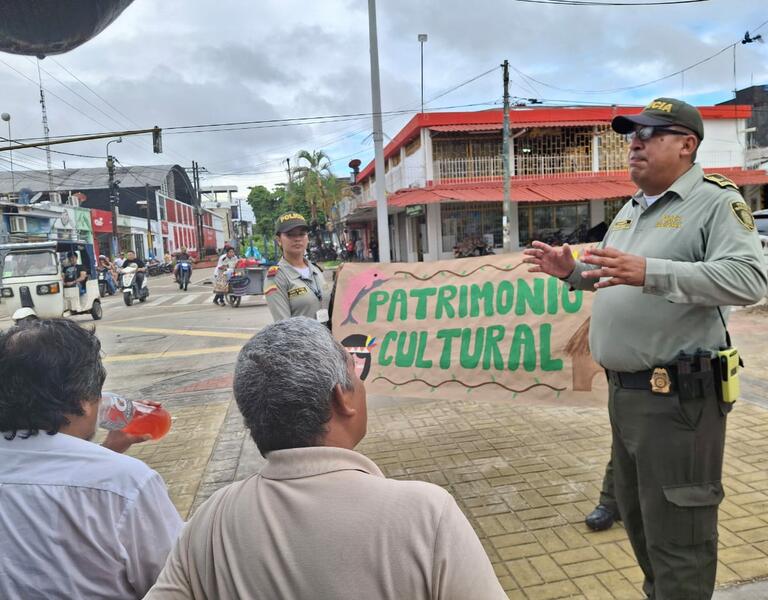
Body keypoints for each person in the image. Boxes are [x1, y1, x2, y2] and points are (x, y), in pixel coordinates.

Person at [523, 97, 767, 600]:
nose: (634, 142)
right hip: (627, 397)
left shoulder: (717, 201)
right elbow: (618, 277)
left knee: (680, 536)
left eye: (650, 133)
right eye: (632, 133)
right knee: (638, 523)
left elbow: (747, 280)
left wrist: (652, 272)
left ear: (686, 144)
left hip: (678, 401)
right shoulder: (634, 208)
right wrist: (571, 272)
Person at [144, 318, 506, 600]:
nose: (362, 382)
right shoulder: (426, 514)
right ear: (342, 398)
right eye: (354, 370)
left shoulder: (211, 521)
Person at [0, 318, 183, 599]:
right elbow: (177, 580)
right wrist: (107, 462)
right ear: (85, 400)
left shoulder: (114, 479)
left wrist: (106, 453)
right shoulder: (127, 484)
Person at [264, 212, 330, 326]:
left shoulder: (316, 270)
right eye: (290, 235)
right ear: (279, 240)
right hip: (302, 343)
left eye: (302, 234)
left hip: (326, 341)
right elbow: (284, 326)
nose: (297, 239)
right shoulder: (276, 277)